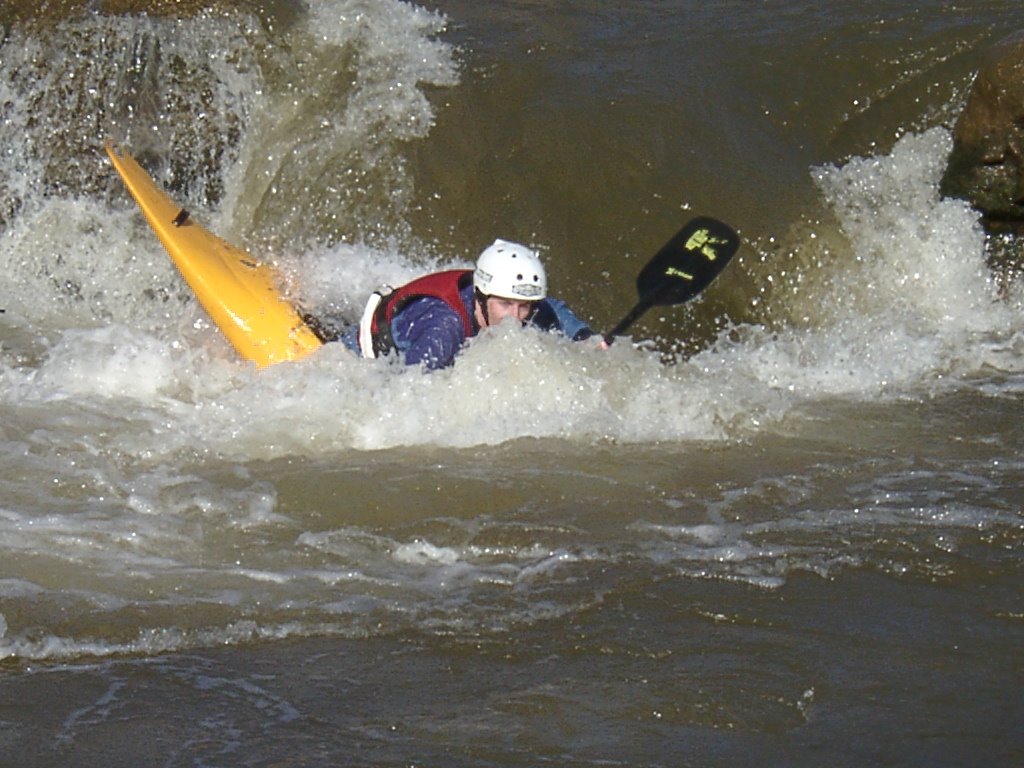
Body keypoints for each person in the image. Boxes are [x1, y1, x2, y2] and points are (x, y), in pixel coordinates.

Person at [338, 239, 598, 370]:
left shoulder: (521, 308)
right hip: (358, 354)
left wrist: (585, 338)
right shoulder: (444, 331)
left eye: (523, 306)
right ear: (481, 297)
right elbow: (407, 393)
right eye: (505, 305)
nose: (515, 318)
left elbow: (555, 310)